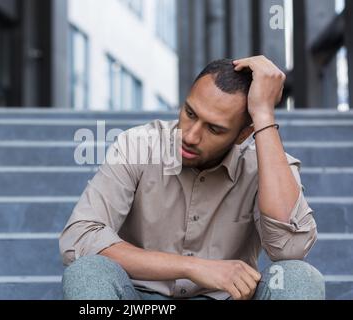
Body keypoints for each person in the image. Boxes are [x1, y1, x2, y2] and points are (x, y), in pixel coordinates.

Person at [59, 56, 325, 300]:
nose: (190, 136)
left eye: (214, 128)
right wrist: (194, 267)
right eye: (190, 113)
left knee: (299, 278)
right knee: (88, 272)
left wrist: (264, 116)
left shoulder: (266, 162)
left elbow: (291, 249)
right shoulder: (138, 146)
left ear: (244, 134)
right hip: (140, 301)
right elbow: (80, 238)